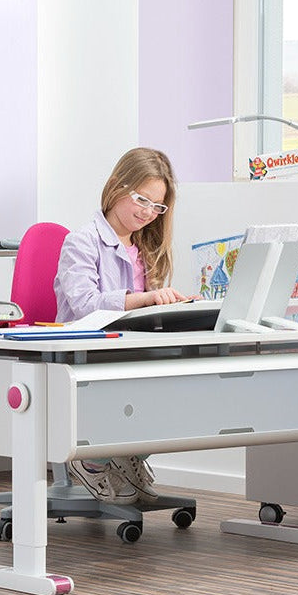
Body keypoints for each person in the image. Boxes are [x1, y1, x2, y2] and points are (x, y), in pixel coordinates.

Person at [54, 146, 191, 505]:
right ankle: (93, 459)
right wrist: (143, 298)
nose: (148, 212)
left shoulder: (147, 248)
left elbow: (143, 314)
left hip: (129, 348)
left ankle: (127, 453)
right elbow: (84, 305)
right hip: (87, 353)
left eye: (157, 206)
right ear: (117, 186)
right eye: (142, 200)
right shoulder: (80, 242)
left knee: (181, 379)